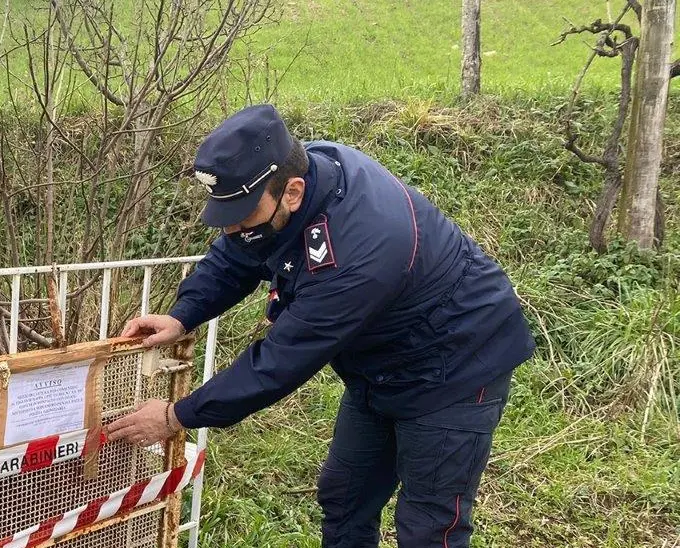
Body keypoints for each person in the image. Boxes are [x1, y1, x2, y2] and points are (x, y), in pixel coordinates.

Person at [103, 104, 535, 547]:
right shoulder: (295, 178)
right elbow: (237, 252)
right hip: (379, 364)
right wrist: (183, 314)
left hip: (456, 363)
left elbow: (279, 362)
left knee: (429, 525)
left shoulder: (360, 250)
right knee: (344, 497)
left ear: (292, 192)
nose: (233, 228)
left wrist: (178, 415)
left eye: (244, 215)